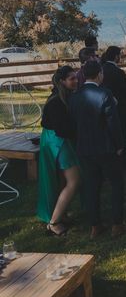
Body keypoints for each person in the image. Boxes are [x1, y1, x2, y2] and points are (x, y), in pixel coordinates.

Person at [68, 61, 126, 239]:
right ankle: (117, 223)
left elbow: (74, 123)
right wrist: (119, 145)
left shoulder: (74, 96)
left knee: (92, 186)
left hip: (85, 147)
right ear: (99, 74)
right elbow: (113, 123)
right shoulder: (104, 94)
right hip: (106, 147)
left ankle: (95, 225)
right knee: (116, 184)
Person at [37, 66, 81, 236]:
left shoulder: (65, 97)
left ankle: (60, 214)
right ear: (62, 81)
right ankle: (54, 222)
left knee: (64, 181)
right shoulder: (57, 101)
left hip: (58, 140)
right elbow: (62, 128)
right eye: (71, 79)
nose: (75, 81)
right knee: (74, 180)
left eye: (76, 78)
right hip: (58, 142)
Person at [101, 46, 126, 154]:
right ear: (116, 56)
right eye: (119, 55)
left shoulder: (102, 69)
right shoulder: (118, 71)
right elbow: (125, 89)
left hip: (105, 101)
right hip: (121, 102)